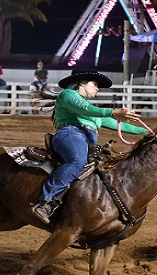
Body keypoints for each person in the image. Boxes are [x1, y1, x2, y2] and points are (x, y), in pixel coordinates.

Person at [30, 69, 148, 224]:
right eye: (95, 84)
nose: (97, 88)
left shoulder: (90, 109)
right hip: (71, 134)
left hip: (84, 139)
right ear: (81, 83)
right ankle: (45, 201)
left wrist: (150, 132)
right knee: (77, 161)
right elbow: (90, 110)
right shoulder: (68, 95)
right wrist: (112, 112)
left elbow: (120, 126)